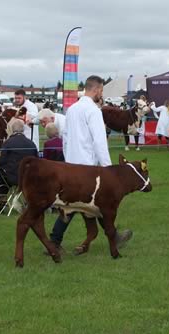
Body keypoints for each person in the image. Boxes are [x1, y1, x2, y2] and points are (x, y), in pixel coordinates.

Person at [48, 75, 132, 251]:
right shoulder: (93, 111)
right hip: (88, 169)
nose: (101, 94)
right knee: (98, 204)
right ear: (97, 90)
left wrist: (68, 159)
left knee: (70, 206)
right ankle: (113, 236)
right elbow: (99, 142)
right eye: (101, 90)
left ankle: (54, 241)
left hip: (71, 166)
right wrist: (109, 169)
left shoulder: (71, 110)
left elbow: (65, 138)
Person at [0, 119, 38, 214]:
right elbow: (36, 162)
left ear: (12, 129)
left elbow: (2, 161)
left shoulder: (8, 143)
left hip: (12, 178)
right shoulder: (31, 143)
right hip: (28, 178)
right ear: (23, 130)